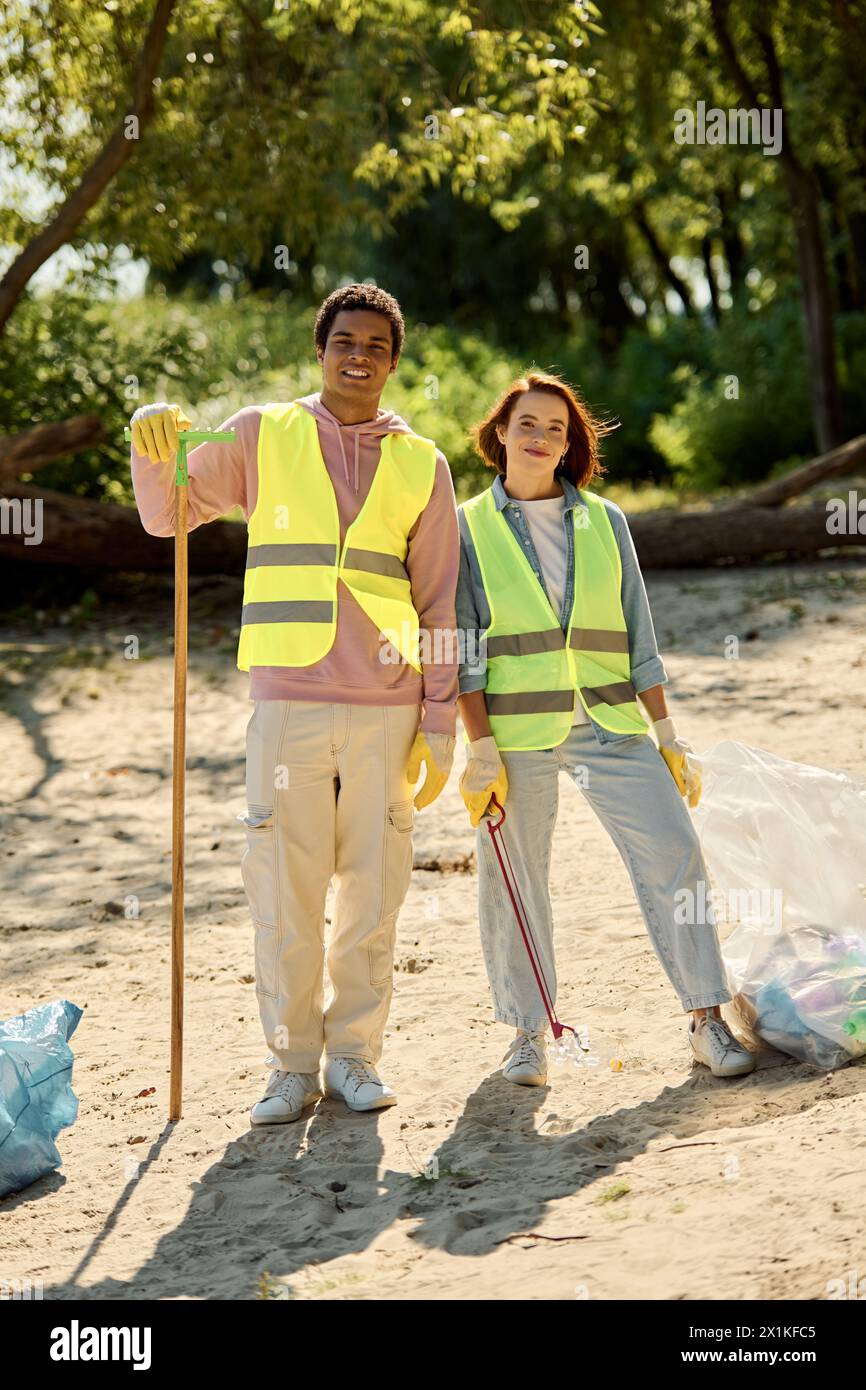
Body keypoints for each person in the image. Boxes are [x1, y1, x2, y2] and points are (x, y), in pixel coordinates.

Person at [129, 284, 459, 1124]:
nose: (359, 355)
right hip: (288, 699)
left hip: (388, 703)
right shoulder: (260, 433)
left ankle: (355, 1058)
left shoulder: (424, 461)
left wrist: (442, 718)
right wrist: (149, 444)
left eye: (376, 345)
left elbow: (441, 603)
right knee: (283, 885)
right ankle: (292, 1066)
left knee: (372, 891)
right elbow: (168, 515)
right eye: (344, 340)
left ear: (393, 359)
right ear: (321, 351)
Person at [454, 370, 756, 1086]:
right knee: (514, 876)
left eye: (555, 428)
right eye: (527, 423)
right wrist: (479, 747)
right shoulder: (464, 524)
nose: (539, 437)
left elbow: (639, 635)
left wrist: (668, 733)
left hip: (609, 720)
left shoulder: (606, 521)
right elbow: (461, 642)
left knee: (674, 852)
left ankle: (705, 1020)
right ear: (500, 432)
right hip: (516, 731)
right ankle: (528, 1034)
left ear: (569, 445)